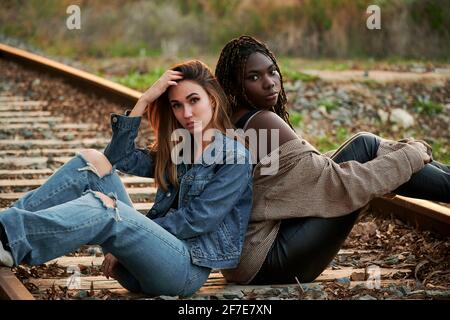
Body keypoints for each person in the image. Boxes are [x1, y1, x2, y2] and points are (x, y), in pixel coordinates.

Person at [0, 60, 253, 297]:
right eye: (177, 105)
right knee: (91, 162)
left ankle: (12, 238)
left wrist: (134, 228)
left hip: (184, 270)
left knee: (107, 208)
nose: (186, 112)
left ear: (211, 98)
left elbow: (198, 220)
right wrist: (144, 100)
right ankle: (4, 231)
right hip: (142, 264)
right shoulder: (181, 148)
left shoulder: (234, 157)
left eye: (193, 100)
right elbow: (118, 157)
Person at [215, 35, 450, 285]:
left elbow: (303, 179)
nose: (270, 83)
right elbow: (336, 183)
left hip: (245, 261)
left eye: (272, 72)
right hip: (268, 261)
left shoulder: (233, 120)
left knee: (366, 146)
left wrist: (400, 158)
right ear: (233, 85)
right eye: (253, 77)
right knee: (367, 148)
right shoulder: (262, 122)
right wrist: (409, 157)